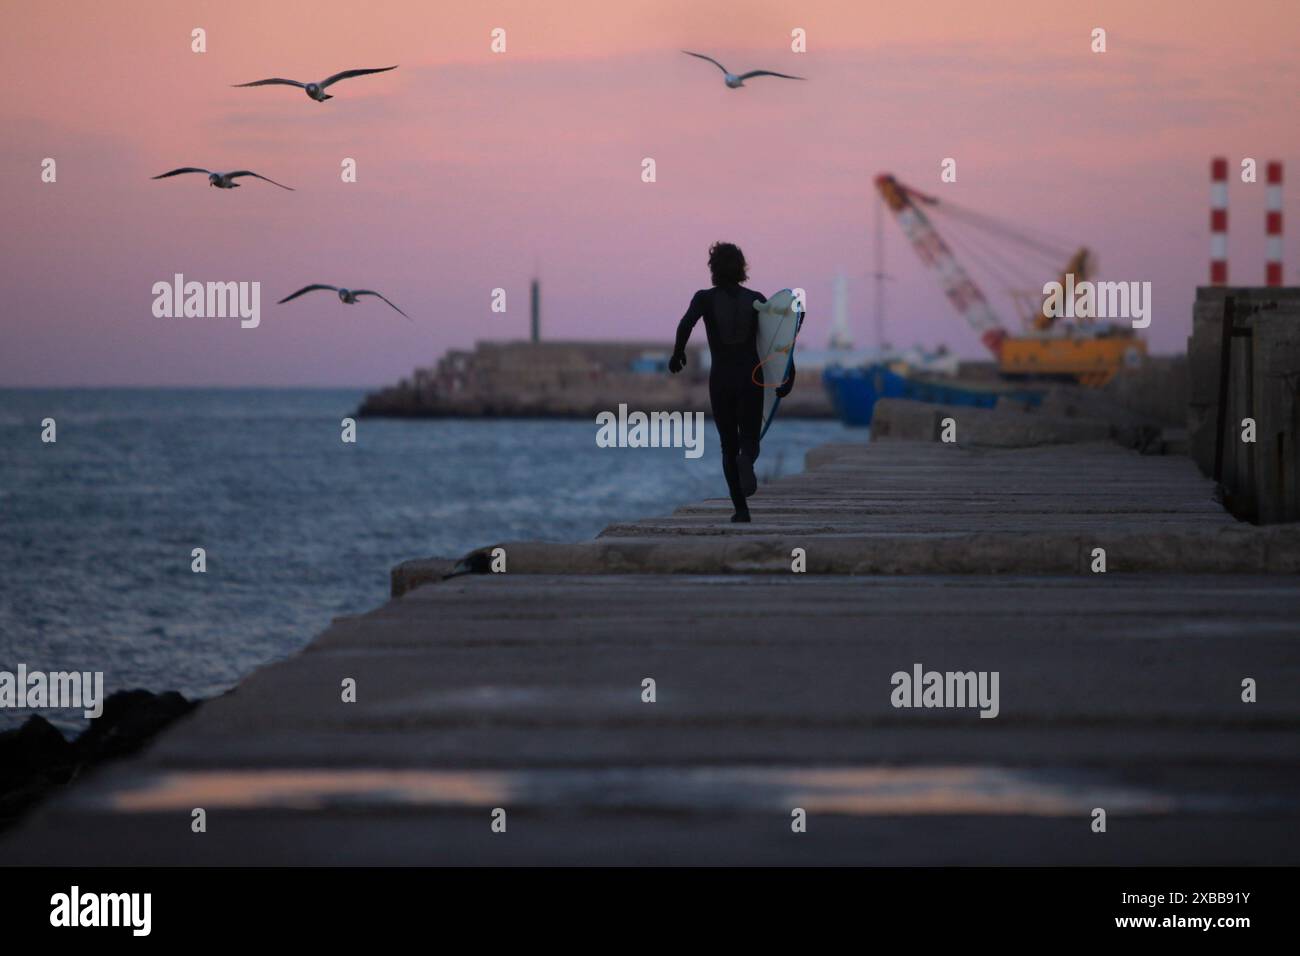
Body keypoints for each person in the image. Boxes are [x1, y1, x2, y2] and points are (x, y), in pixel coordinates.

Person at [669, 242, 795, 523]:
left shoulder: (704, 298)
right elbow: (778, 342)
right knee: (749, 440)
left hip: (722, 379)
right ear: (742, 268)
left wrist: (678, 354)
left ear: (713, 269)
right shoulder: (757, 299)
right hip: (751, 378)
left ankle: (741, 509)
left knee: (728, 445)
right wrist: (788, 376)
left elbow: (685, 324)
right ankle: (746, 461)